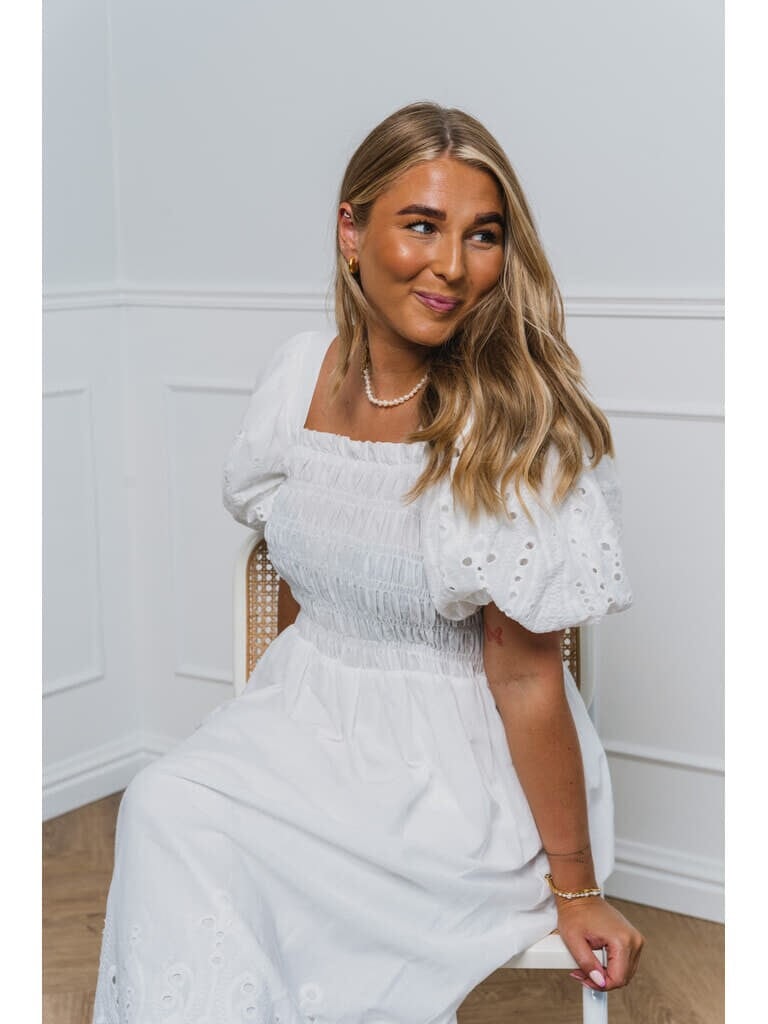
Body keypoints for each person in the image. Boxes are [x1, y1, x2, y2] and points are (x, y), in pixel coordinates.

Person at [93, 101, 643, 1024]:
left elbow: (525, 679)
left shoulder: (514, 424)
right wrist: (277, 730)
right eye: (421, 225)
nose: (452, 264)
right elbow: (306, 587)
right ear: (351, 232)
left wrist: (578, 888)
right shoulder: (298, 376)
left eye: (482, 235)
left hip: (450, 774)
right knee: (164, 804)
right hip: (304, 720)